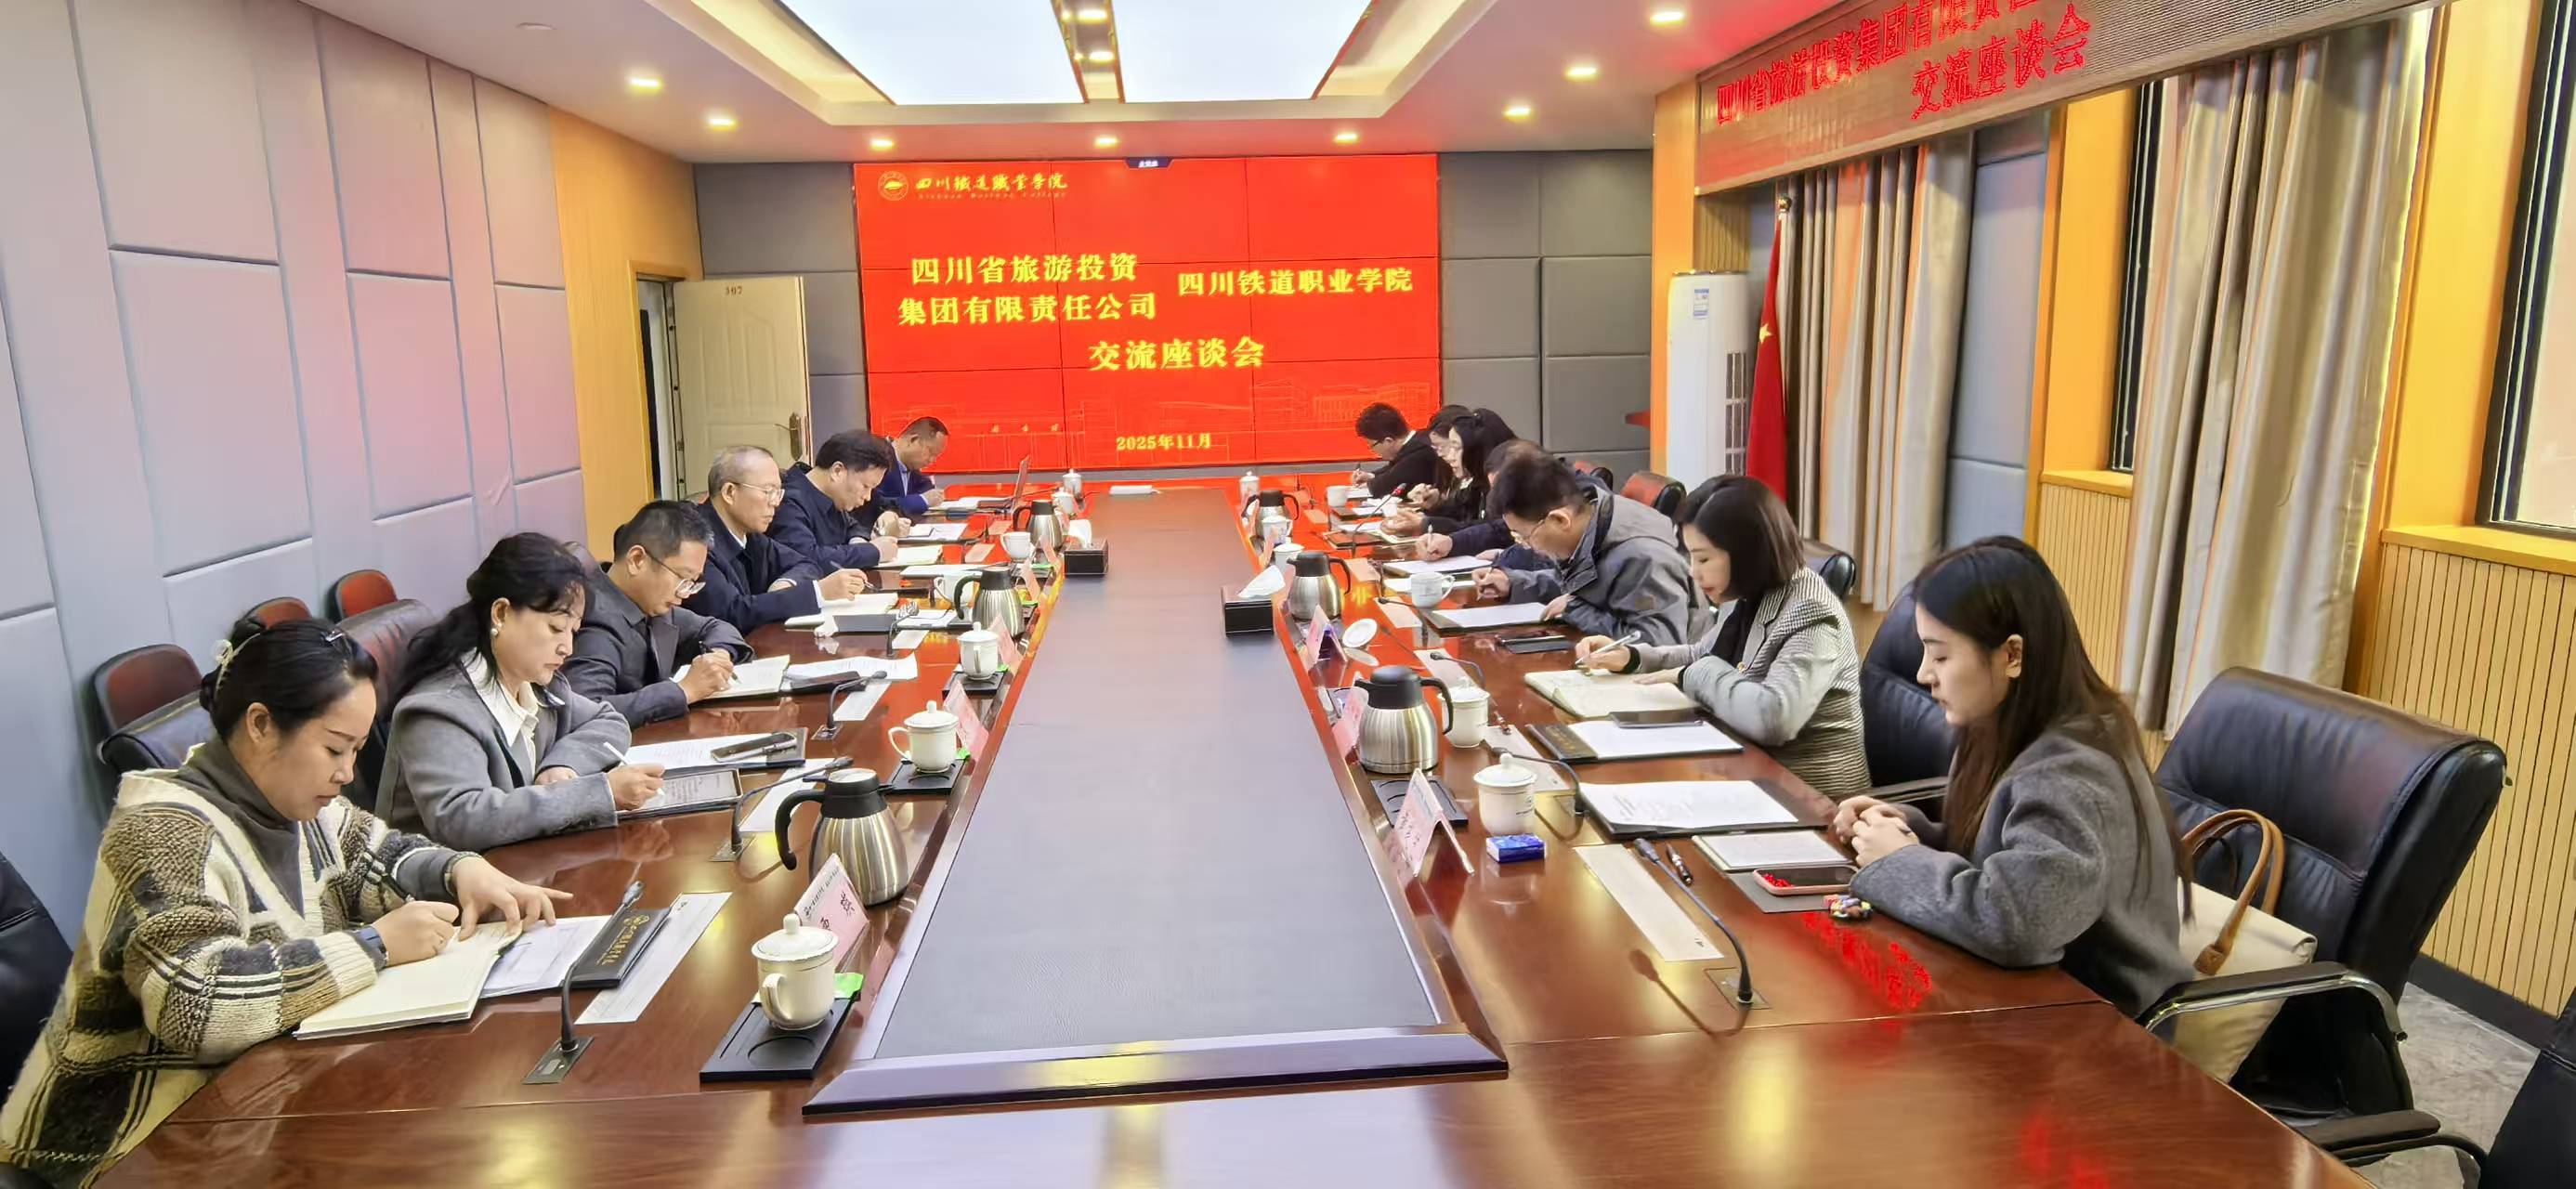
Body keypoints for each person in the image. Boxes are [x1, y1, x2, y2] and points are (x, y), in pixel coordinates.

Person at [0, 620, 569, 1183]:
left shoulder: (297, 800)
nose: (347, 773)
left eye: (356, 750)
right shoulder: (161, 829)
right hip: (129, 1137)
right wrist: (374, 946)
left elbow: (378, 854)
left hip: (254, 1096)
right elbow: (195, 1006)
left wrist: (458, 869)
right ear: (261, 725)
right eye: (334, 748)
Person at [1829, 537, 2193, 1016]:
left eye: (1940, 656)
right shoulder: (2007, 725)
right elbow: (2001, 857)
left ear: (2012, 655)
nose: (1923, 674)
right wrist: (1904, 830)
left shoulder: (2073, 771)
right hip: (2029, 1003)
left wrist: (1900, 861)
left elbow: (2017, 924)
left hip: (2100, 1026)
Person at [1575, 477, 1870, 797]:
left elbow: (1775, 718)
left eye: (1703, 559)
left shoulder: (1811, 610)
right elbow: (1702, 653)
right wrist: (1634, 657)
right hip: (1744, 767)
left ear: (1745, 554)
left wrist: (1692, 675)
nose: (1693, 572)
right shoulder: (1746, 590)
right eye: (1690, 557)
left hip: (1810, 797)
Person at [376, 533, 658, 851]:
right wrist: (597, 793)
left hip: (521, 864)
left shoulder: (535, 683)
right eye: (555, 628)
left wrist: (563, 766)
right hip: (444, 880)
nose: (567, 647)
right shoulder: (438, 710)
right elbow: (465, 821)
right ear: (501, 613)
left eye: (573, 631)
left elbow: (608, 721)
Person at [1476, 454, 1706, 646]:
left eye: (1525, 536)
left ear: (1560, 520)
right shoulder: (1592, 522)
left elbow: (1658, 644)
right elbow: (1584, 586)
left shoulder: (1643, 557)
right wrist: (1515, 583)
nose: (1526, 546)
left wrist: (1576, 610)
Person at [565, 500, 755, 726]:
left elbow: (716, 627)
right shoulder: (594, 621)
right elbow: (585, 711)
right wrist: (684, 691)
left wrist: (719, 656)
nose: (685, 593)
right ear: (637, 560)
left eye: (692, 582)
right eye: (682, 578)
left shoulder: (651, 605)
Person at [685, 445, 871, 632]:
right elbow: (733, 613)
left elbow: (806, 563)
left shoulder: (751, 535)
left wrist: (787, 583)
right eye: (768, 491)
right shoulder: (694, 542)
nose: (776, 502)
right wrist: (818, 592)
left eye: (778, 492)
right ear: (730, 492)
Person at [775, 432, 904, 571]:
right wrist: (872, 552)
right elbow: (806, 558)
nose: (868, 497)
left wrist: (858, 540)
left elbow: (852, 526)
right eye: (865, 486)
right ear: (837, 471)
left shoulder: (829, 495)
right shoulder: (788, 502)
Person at [1351, 402, 1442, 499]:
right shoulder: (1416, 442)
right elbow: (1393, 469)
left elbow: (1389, 481)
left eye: (1372, 446)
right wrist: (1370, 475)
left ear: (1388, 441)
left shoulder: (1420, 451)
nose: (1372, 451)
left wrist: (1369, 485)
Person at [875, 417, 949, 516]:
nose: (932, 460)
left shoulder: (910, 465)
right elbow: (877, 505)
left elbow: (925, 488)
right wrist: (922, 500)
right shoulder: (878, 457)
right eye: (930, 452)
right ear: (913, 440)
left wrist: (935, 495)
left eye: (936, 456)